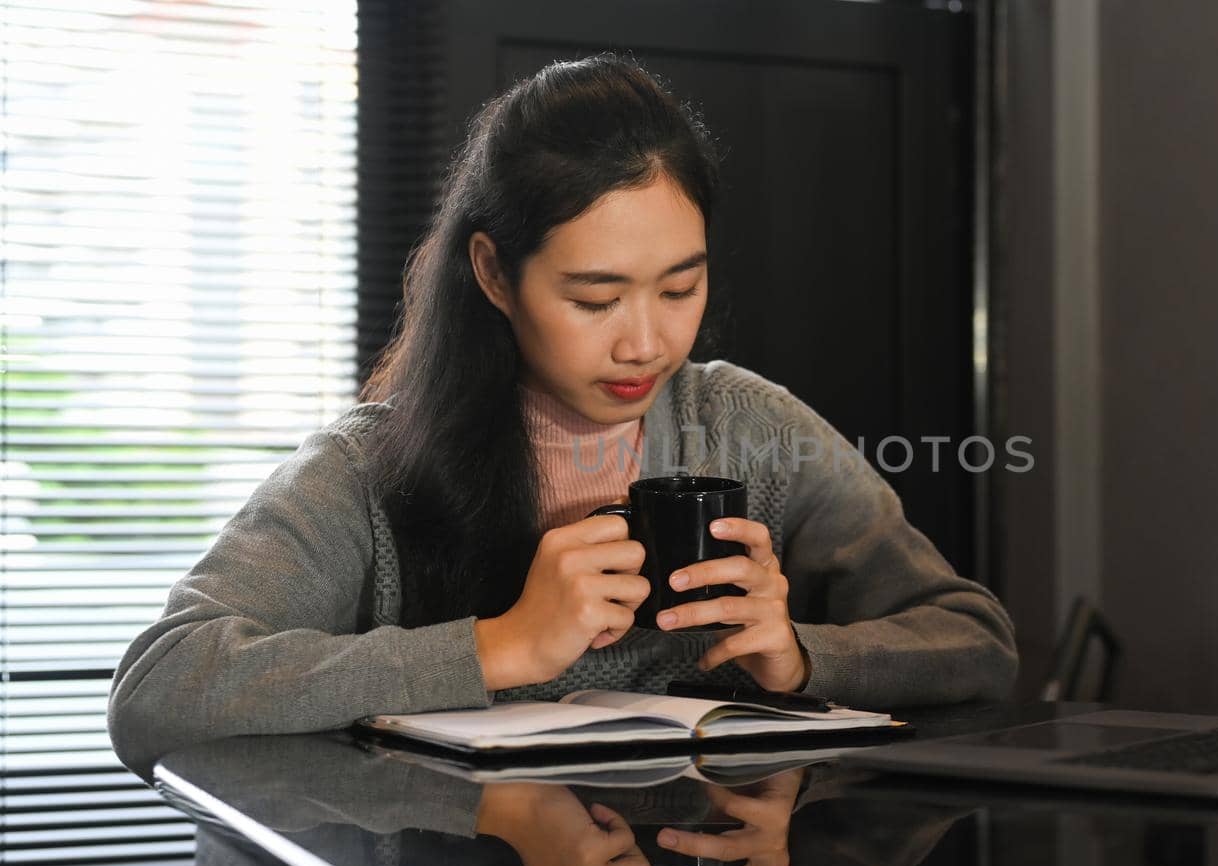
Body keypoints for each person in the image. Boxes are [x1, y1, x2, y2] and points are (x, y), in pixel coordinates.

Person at [107, 53, 1018, 777]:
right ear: (495, 273)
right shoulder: (369, 469)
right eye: (594, 299)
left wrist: (800, 656)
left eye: (680, 286)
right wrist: (499, 645)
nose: (645, 343)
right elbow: (159, 687)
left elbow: (974, 641)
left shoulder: (749, 428)